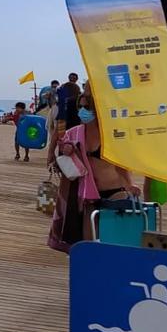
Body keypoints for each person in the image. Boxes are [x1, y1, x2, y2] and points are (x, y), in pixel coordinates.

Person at [46, 91, 139, 253]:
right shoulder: (73, 133)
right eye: (80, 106)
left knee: (115, 241)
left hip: (115, 191)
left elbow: (121, 165)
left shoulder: (109, 136)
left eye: (87, 107)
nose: (83, 110)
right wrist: (62, 152)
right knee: (88, 243)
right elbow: (59, 144)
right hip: (87, 195)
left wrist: (130, 184)